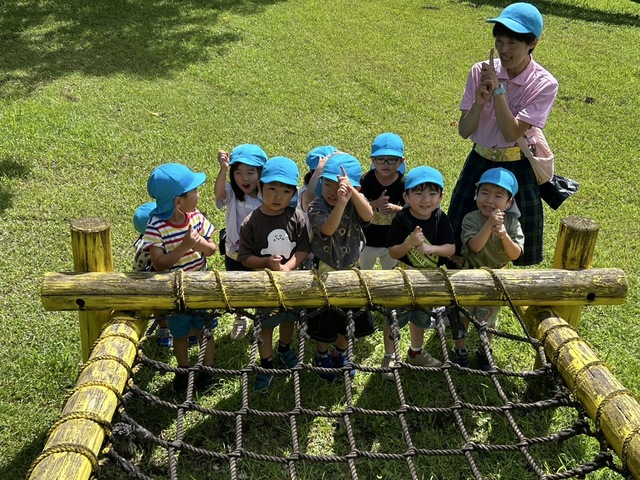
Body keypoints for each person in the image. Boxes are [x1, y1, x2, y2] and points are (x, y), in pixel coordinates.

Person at [447, 2, 557, 267]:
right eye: (499, 41)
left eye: (512, 43)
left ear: (533, 43)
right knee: (458, 240)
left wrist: (498, 91)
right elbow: (464, 131)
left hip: (517, 165)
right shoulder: (480, 71)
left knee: (517, 246)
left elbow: (510, 132)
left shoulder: (544, 83)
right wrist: (478, 102)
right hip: (480, 160)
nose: (503, 50)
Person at [143, 163, 218, 393]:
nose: (198, 194)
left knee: (205, 331)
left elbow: (212, 249)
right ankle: (184, 370)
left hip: (201, 286)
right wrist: (184, 246)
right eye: (194, 191)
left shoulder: (196, 216)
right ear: (178, 202)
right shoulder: (156, 226)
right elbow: (159, 263)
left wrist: (199, 243)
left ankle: (208, 370)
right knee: (180, 333)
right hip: (174, 292)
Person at [237, 156, 311, 392]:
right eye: (272, 189)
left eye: (286, 191)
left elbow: (303, 248)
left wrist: (288, 267)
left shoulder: (296, 216)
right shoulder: (251, 222)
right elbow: (245, 257)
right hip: (265, 286)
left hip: (292, 282)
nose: (278, 197)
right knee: (266, 325)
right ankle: (266, 363)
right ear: (260, 187)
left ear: (294, 194)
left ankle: (285, 348)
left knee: (289, 319)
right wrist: (266, 263)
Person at [380, 166, 455, 381]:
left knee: (420, 318)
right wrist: (410, 243)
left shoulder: (440, 217)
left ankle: (416, 352)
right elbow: (393, 251)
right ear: (406, 197)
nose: (425, 200)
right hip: (403, 276)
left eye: (432, 193)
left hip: (429, 278)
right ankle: (389, 357)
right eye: (418, 193)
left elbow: (451, 248)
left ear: (441, 196)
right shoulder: (402, 219)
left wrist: (432, 249)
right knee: (393, 318)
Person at [307, 153, 375, 381]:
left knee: (349, 317)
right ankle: (321, 353)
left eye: (339, 186)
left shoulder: (355, 202)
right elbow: (327, 229)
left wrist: (352, 194)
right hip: (323, 272)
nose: (333, 191)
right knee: (324, 319)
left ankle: (340, 351)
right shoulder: (316, 205)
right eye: (327, 184)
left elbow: (369, 215)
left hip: (351, 270)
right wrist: (342, 202)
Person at [451, 168, 524, 370]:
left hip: (496, 279)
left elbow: (515, 254)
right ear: (476, 194)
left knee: (488, 318)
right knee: (462, 315)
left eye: (498, 196)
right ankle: (459, 349)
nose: (490, 200)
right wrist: (489, 224)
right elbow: (475, 246)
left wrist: (504, 235)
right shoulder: (471, 218)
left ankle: (484, 349)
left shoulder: (512, 223)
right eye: (484, 193)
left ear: (509, 202)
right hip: (469, 274)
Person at [215, 144, 267, 341]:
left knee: (260, 287)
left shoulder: (266, 196)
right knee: (236, 287)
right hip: (234, 253)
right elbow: (219, 193)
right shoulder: (232, 193)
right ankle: (240, 317)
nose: (244, 178)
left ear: (261, 173)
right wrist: (223, 169)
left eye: (251, 172)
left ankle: (259, 319)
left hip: (259, 255)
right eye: (238, 173)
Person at [359, 132, 406, 270]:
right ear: (373, 161)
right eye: (380, 159)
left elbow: (412, 211)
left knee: (391, 274)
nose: (386, 164)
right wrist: (376, 203)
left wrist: (397, 209)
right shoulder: (366, 181)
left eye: (392, 159)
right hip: (368, 240)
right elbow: (357, 208)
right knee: (364, 272)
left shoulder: (403, 183)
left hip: (393, 241)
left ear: (401, 161)